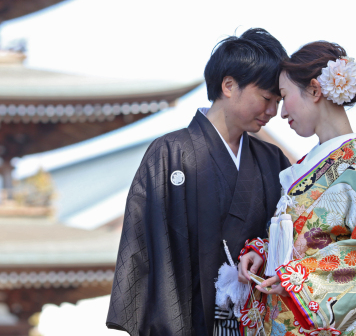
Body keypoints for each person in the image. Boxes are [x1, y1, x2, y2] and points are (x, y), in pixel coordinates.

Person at [107, 28, 291, 336]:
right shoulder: (169, 154)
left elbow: (294, 238)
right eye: (267, 98)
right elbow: (146, 251)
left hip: (258, 323)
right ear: (229, 85)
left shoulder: (273, 161)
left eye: (278, 100)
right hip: (188, 323)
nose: (273, 111)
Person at [238, 41, 356, 336]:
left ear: (314, 90)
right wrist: (266, 253)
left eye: (285, 97)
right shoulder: (304, 165)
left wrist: (301, 280)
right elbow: (303, 240)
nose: (281, 113)